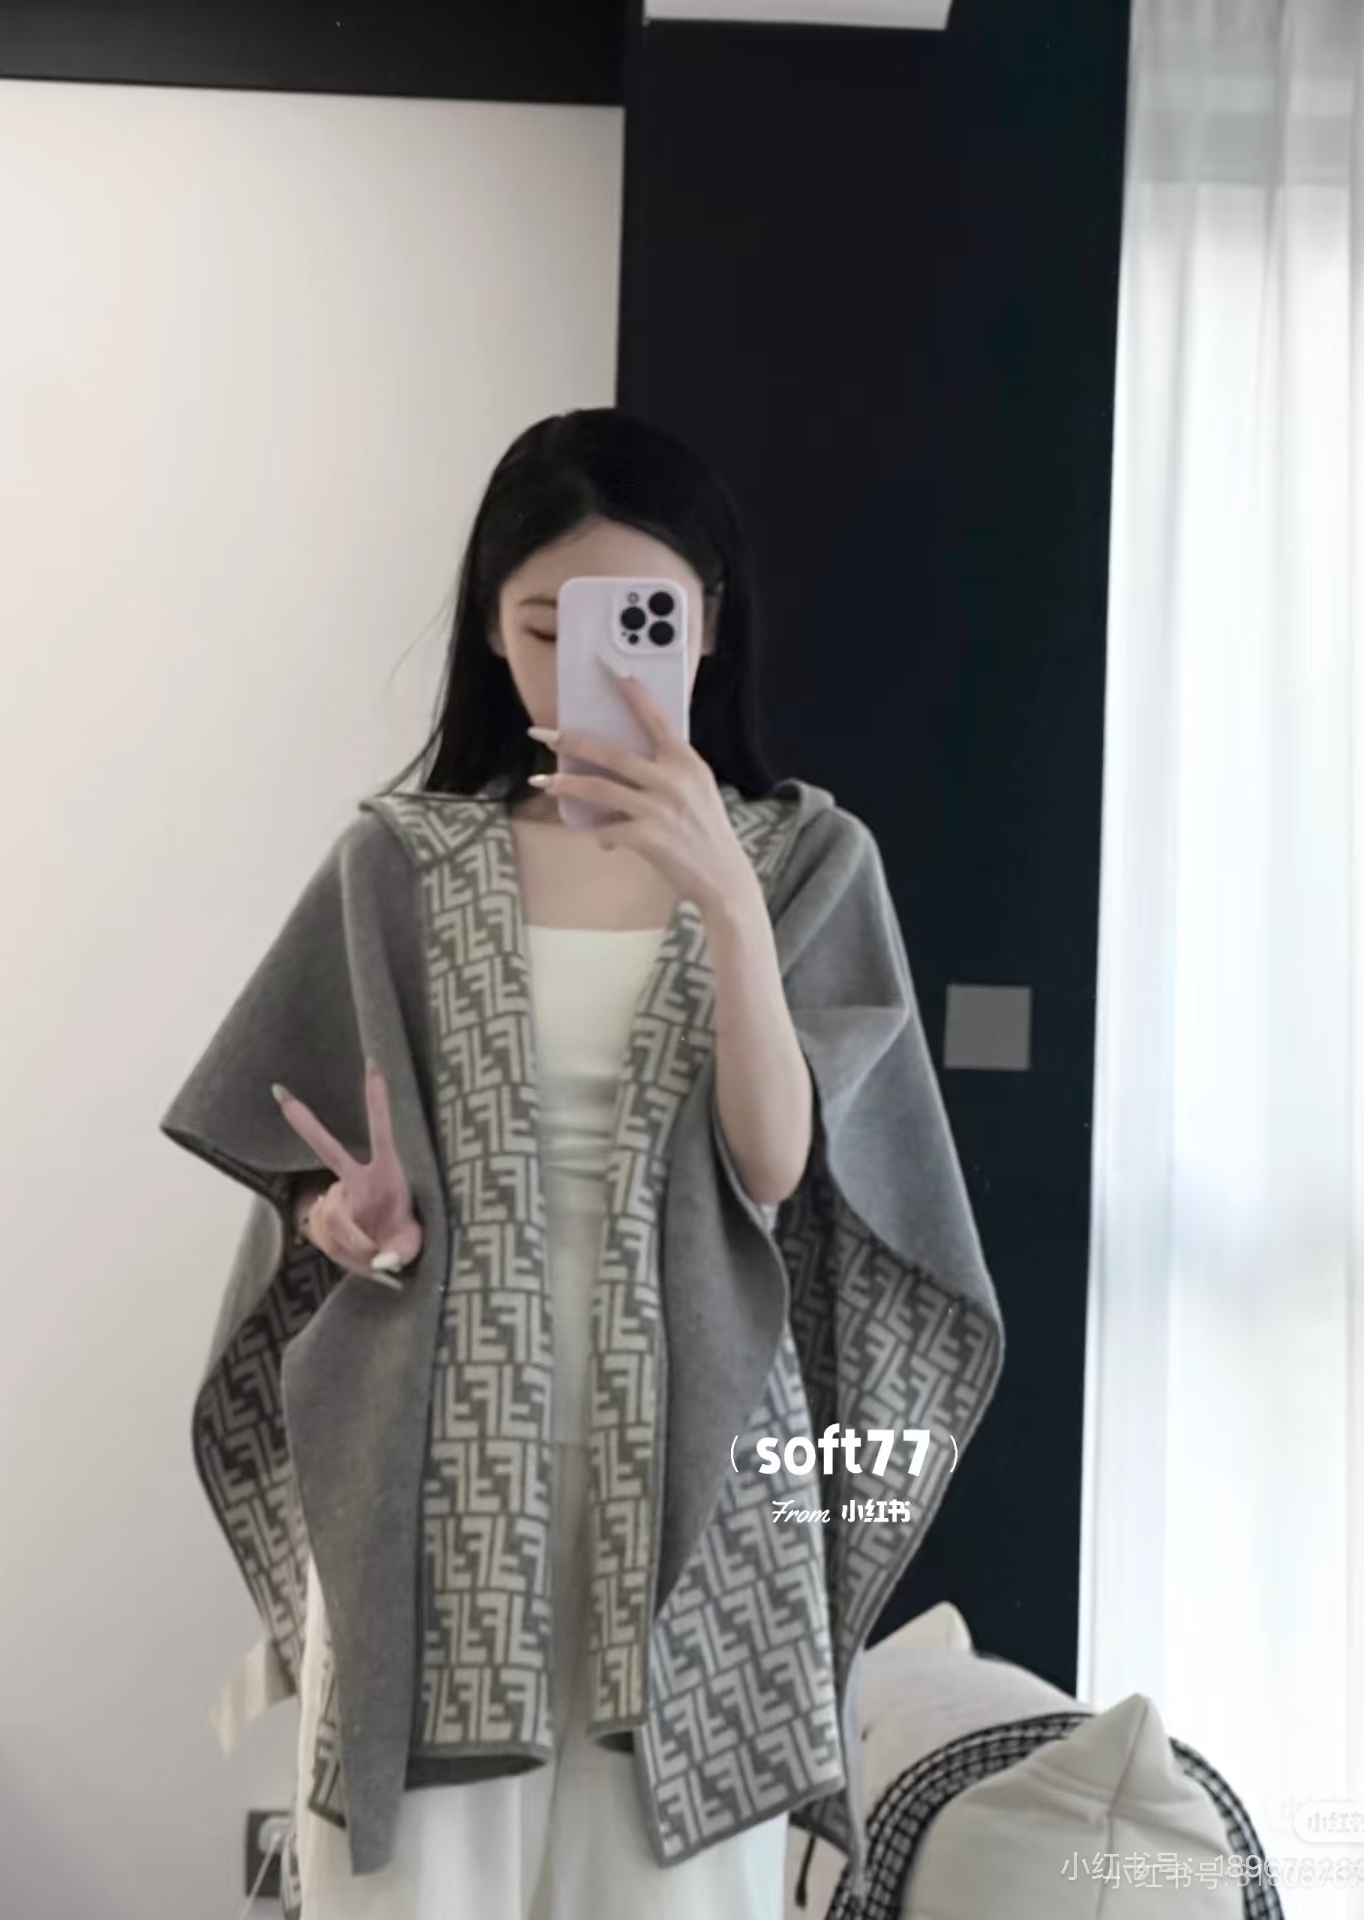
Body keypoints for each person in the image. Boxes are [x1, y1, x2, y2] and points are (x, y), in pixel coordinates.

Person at [161, 407, 1004, 1920]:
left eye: (639, 619)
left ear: (707, 627)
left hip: (700, 1498)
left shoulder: (807, 862)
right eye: (547, 625)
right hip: (435, 1485)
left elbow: (776, 1165)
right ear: (492, 630)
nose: (587, 663)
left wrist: (723, 901)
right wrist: (344, 1225)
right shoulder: (399, 864)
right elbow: (318, 1185)